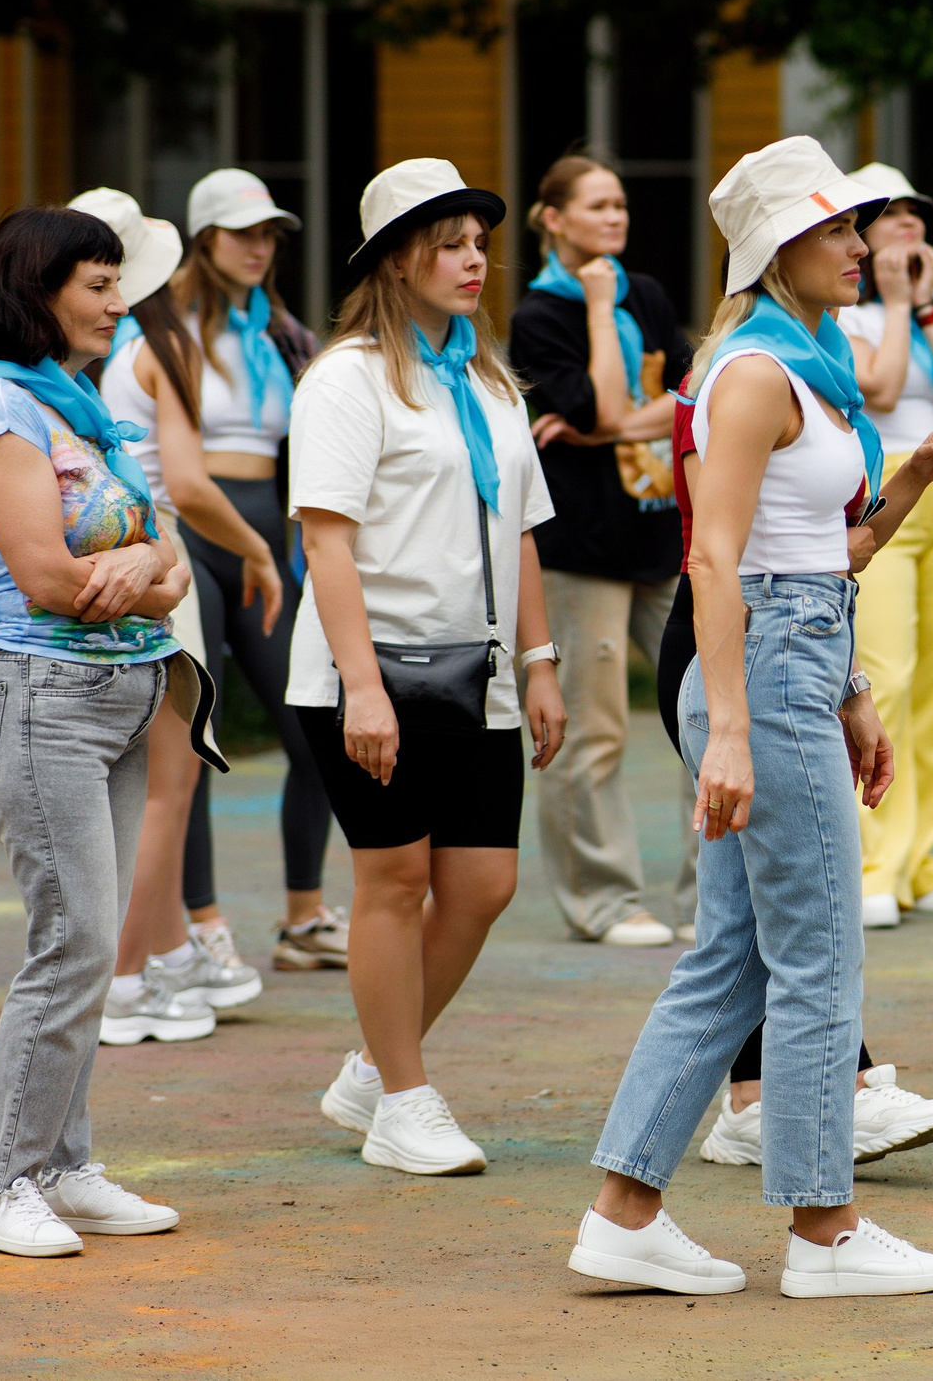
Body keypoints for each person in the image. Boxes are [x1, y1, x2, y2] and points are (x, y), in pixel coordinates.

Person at [570, 136, 933, 1299]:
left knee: (735, 961)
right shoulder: (752, 372)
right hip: (760, 669)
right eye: (841, 228)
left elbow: (824, 553)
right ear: (777, 248)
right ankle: (824, 1230)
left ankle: (625, 1210)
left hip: (797, 658)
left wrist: (904, 495)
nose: (862, 244)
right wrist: (736, 725)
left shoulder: (808, 365)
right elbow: (715, 557)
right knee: (819, 953)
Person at [0, 206, 219, 1257]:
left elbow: (167, 554)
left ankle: (60, 1162)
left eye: (116, 283)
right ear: (39, 290)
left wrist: (147, 572)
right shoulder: (3, 413)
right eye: (98, 285)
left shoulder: (80, 409)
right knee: (73, 945)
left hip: (115, 696)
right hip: (42, 700)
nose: (118, 303)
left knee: (92, 948)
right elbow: (55, 580)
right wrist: (147, 578)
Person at [293, 159, 568, 1176]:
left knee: (485, 882)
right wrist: (362, 685)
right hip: (372, 674)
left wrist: (540, 663)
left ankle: (375, 1060)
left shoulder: (490, 381)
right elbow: (327, 544)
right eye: (448, 244)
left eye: (478, 244)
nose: (472, 262)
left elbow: (522, 532)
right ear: (397, 259)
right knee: (395, 876)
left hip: (483, 672)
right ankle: (406, 1095)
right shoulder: (348, 379)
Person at [82, 189, 261, 1045]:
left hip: (113, 565)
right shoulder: (164, 342)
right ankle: (125, 976)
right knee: (169, 785)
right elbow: (185, 485)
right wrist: (258, 550)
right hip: (164, 559)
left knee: (143, 786)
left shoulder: (98, 352)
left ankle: (154, 956)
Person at [508, 154, 696, 948]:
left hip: (662, 533)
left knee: (708, 711)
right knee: (595, 728)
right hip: (582, 545)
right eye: (596, 206)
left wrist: (611, 423)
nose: (615, 218)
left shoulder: (647, 294)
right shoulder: (538, 315)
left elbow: (691, 398)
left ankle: (710, 897)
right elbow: (601, 401)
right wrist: (593, 308)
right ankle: (605, 900)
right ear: (553, 218)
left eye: (621, 204)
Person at [170, 170, 341, 974]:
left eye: (269, 234)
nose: (261, 247)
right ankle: (202, 925)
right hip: (189, 531)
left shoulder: (280, 329)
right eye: (244, 234)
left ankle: (304, 919)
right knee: (196, 737)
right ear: (205, 238)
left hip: (265, 534)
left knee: (315, 730)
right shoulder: (158, 321)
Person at [837, 162, 933, 926]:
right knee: (886, 673)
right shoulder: (850, 311)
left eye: (916, 214)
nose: (910, 225)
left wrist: (926, 304)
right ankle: (874, 860)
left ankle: (920, 853)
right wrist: (895, 302)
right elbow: (884, 388)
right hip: (886, 488)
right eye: (890, 214)